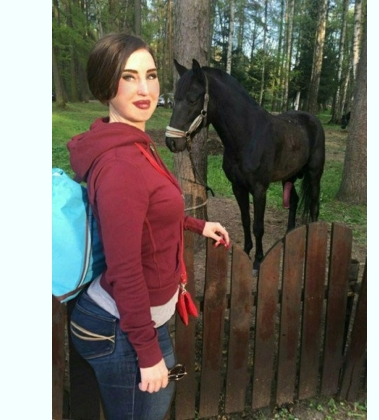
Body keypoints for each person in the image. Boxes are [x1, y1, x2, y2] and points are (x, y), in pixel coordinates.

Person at [67, 33, 230, 420]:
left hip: (133, 320)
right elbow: (125, 269)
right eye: (129, 77)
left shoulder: (133, 141)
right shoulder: (120, 164)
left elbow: (146, 215)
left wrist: (196, 225)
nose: (145, 89)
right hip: (120, 327)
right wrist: (148, 353)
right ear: (105, 84)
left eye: (151, 75)